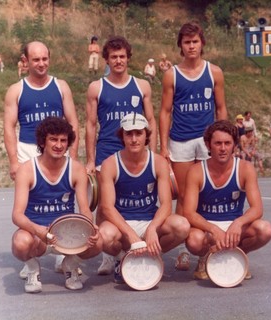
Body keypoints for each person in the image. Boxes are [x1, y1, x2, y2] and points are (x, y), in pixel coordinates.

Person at [4, 40, 79, 277]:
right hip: (28, 150)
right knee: (29, 207)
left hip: (58, 149)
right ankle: (31, 259)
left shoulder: (61, 86)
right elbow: (8, 126)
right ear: (25, 62)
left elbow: (73, 122)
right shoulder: (16, 90)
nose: (41, 63)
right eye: (36, 59)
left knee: (61, 202)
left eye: (45, 58)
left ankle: (62, 252)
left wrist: (74, 156)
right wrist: (14, 161)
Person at [85, 35, 157, 275]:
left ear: (128, 58)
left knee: (137, 202)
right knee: (105, 208)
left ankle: (133, 247)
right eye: (113, 57)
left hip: (136, 153)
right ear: (106, 59)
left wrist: (154, 154)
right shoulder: (97, 87)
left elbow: (151, 121)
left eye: (122, 56)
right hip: (107, 151)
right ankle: (108, 255)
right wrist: (90, 159)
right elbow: (90, 124)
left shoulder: (142, 86)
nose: (118, 61)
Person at [159, 22, 227, 270]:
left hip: (207, 140)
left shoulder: (214, 72)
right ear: (180, 46)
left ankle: (206, 247)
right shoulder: (171, 75)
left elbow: (220, 108)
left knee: (208, 193)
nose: (191, 46)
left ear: (202, 43)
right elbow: (165, 112)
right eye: (186, 42)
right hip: (181, 141)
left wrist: (224, 140)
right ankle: (183, 250)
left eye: (195, 41)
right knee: (185, 196)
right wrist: (163, 146)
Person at [11, 117, 103, 293]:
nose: (59, 145)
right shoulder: (27, 169)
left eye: (63, 140)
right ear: (42, 141)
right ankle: (32, 269)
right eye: (53, 139)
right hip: (38, 233)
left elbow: (84, 208)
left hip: (67, 233)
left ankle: (71, 264)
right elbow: (17, 215)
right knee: (20, 242)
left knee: (99, 242)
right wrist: (39, 231)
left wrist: (90, 226)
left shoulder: (76, 169)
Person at [98, 113, 190, 283]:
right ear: (122, 136)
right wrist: (131, 235)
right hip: (122, 223)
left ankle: (150, 255)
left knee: (182, 226)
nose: (134, 139)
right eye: (129, 134)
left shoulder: (158, 162)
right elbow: (107, 208)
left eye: (138, 133)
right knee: (103, 235)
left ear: (146, 135)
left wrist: (153, 229)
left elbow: (166, 204)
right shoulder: (110, 164)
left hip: (149, 220)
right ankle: (122, 258)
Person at [183, 120, 271, 280]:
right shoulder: (196, 171)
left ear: (234, 145)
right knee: (194, 240)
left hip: (234, 228)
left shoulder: (245, 168)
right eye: (218, 143)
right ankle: (204, 258)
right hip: (207, 229)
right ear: (208, 145)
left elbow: (257, 208)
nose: (223, 148)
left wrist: (238, 223)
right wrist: (213, 229)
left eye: (227, 143)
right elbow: (189, 212)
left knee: (264, 229)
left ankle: (238, 255)